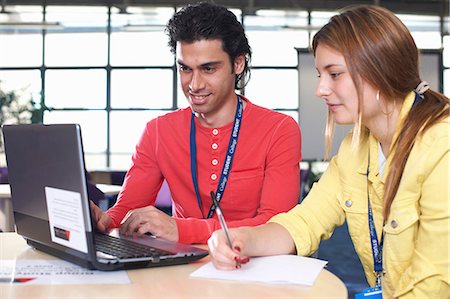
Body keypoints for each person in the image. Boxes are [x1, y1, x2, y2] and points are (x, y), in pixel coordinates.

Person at [208, 5, 449, 299]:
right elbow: (306, 221)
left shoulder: (442, 147)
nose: (320, 89)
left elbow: (434, 285)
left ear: (381, 69)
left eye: (334, 74)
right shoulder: (356, 149)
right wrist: (244, 238)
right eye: (321, 74)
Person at [90, 2, 302, 245]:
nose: (195, 84)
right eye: (185, 69)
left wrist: (182, 230)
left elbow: (276, 224)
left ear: (238, 64)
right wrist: (103, 220)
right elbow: (127, 209)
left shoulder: (278, 130)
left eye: (208, 69)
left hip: (255, 264)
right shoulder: (158, 131)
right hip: (182, 267)